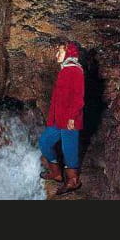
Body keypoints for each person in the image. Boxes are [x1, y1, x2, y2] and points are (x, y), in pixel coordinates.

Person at [39, 40, 85, 196]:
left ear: (69, 53)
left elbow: (78, 97)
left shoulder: (75, 70)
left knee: (68, 149)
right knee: (45, 142)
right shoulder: (65, 70)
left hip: (69, 120)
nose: (57, 54)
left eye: (60, 51)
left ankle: (73, 181)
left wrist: (72, 117)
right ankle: (56, 173)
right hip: (59, 119)